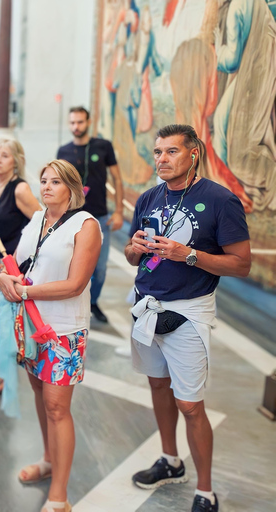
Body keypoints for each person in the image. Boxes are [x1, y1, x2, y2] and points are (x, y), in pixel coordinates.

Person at [125, 124, 250, 512]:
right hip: (147, 307)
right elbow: (132, 255)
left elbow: (242, 264)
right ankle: (170, 460)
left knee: (191, 405)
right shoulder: (148, 198)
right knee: (158, 388)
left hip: (189, 312)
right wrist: (135, 248)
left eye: (171, 152)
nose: (161, 159)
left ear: (193, 153)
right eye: (158, 152)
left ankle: (205, 490)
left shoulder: (219, 200)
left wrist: (189, 255)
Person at [0, 159, 101, 512]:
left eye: (55, 182)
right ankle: (47, 459)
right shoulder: (38, 220)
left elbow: (75, 285)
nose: (46, 187)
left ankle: (60, 494)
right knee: (40, 395)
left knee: (58, 408)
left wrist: (24, 292)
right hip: (31, 323)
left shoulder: (85, 226)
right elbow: (18, 260)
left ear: (72, 188)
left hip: (63, 328)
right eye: (43, 181)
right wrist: (4, 277)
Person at [0, 139, 41, 413]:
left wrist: (22, 257)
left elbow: (40, 224)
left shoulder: (20, 188)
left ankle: (0, 376)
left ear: (16, 161)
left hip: (3, 267)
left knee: (1, 324)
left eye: (5, 155)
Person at [56, 106, 124, 323]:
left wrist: (120, 211)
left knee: (100, 269)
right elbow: (58, 183)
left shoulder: (103, 146)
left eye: (80, 122)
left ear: (89, 122)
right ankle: (75, 302)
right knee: (71, 264)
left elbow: (117, 179)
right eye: (72, 122)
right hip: (71, 218)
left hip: (100, 217)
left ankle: (93, 301)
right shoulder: (63, 151)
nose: (76, 126)